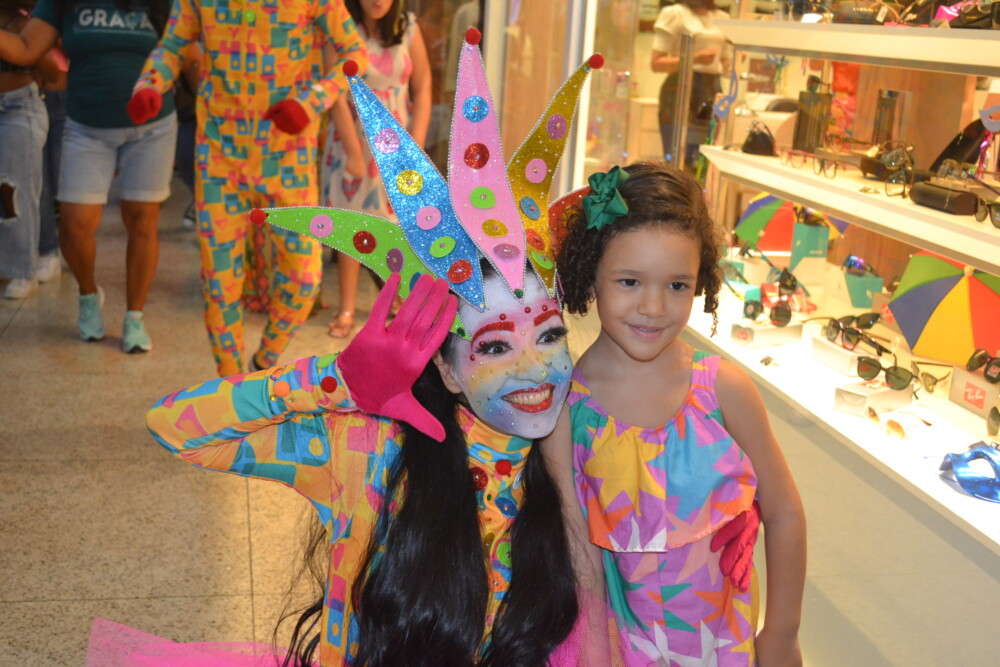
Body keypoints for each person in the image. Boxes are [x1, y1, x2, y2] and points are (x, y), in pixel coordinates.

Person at [548, 162, 806, 665]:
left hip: (726, 650)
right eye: (629, 281)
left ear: (701, 281)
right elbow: (576, 558)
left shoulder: (723, 390)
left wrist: (781, 633)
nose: (654, 307)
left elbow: (785, 512)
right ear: (592, 274)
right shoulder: (565, 411)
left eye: (677, 285)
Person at [126, 0, 368, 376]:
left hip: (287, 160)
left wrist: (311, 102)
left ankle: (263, 363)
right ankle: (233, 386)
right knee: (220, 284)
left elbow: (355, 52)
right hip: (219, 159)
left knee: (305, 279)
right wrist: (150, 84)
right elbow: (173, 45)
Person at [0, 0, 176, 352]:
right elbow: (26, 48)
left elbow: (184, 49)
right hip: (87, 127)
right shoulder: (63, 2)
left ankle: (135, 317)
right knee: (75, 225)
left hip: (153, 127)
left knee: (143, 219)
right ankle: (88, 294)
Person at [321, 0, 431, 338]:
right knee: (351, 224)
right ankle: (347, 308)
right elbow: (334, 96)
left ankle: (397, 298)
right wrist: (354, 152)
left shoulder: (407, 28)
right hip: (352, 139)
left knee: (398, 224)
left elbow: (423, 86)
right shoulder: (339, 29)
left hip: (398, 144)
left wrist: (416, 145)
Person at [0, 0, 50, 300]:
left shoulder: (21, 21)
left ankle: (23, 270)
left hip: (18, 107)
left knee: (15, 191)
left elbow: (53, 69)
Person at [650, 0, 730, 170]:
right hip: (681, 87)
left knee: (706, 157)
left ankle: (699, 187)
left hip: (712, 89)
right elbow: (656, 63)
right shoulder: (675, 13)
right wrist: (694, 59)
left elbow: (726, 61)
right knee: (678, 154)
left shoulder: (722, 17)